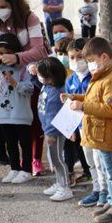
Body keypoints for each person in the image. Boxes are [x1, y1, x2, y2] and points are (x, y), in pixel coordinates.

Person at [0, 0, 49, 176]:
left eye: (3, 6)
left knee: (33, 117)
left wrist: (18, 57)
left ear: (12, 3)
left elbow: (39, 49)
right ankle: (16, 162)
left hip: (30, 69)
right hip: (7, 74)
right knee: (10, 118)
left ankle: (35, 158)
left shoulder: (30, 18)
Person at [65, 37, 112, 223]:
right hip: (100, 135)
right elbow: (93, 99)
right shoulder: (102, 77)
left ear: (105, 57)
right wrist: (74, 97)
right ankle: (111, 200)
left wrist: (82, 107)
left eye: (91, 60)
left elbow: (110, 109)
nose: (89, 64)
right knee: (107, 171)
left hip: (108, 135)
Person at [0, 34, 34, 184]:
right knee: (10, 143)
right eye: (0, 53)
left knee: (24, 143)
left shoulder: (24, 68)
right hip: (4, 115)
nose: (3, 56)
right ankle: (14, 168)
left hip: (21, 114)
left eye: (6, 53)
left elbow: (30, 88)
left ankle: (26, 170)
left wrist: (14, 83)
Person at [35, 57, 73, 201]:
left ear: (50, 78)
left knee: (57, 159)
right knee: (54, 158)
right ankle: (59, 183)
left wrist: (50, 133)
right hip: (48, 130)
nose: (38, 77)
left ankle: (65, 187)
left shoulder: (56, 92)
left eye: (40, 75)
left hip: (55, 132)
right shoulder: (48, 86)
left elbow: (53, 115)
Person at [63, 38, 92, 187]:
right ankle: (77, 171)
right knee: (75, 145)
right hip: (76, 122)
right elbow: (69, 104)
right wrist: (69, 127)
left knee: (90, 152)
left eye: (80, 57)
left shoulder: (93, 77)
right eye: (72, 57)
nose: (76, 61)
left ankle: (90, 174)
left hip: (91, 122)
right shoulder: (70, 79)